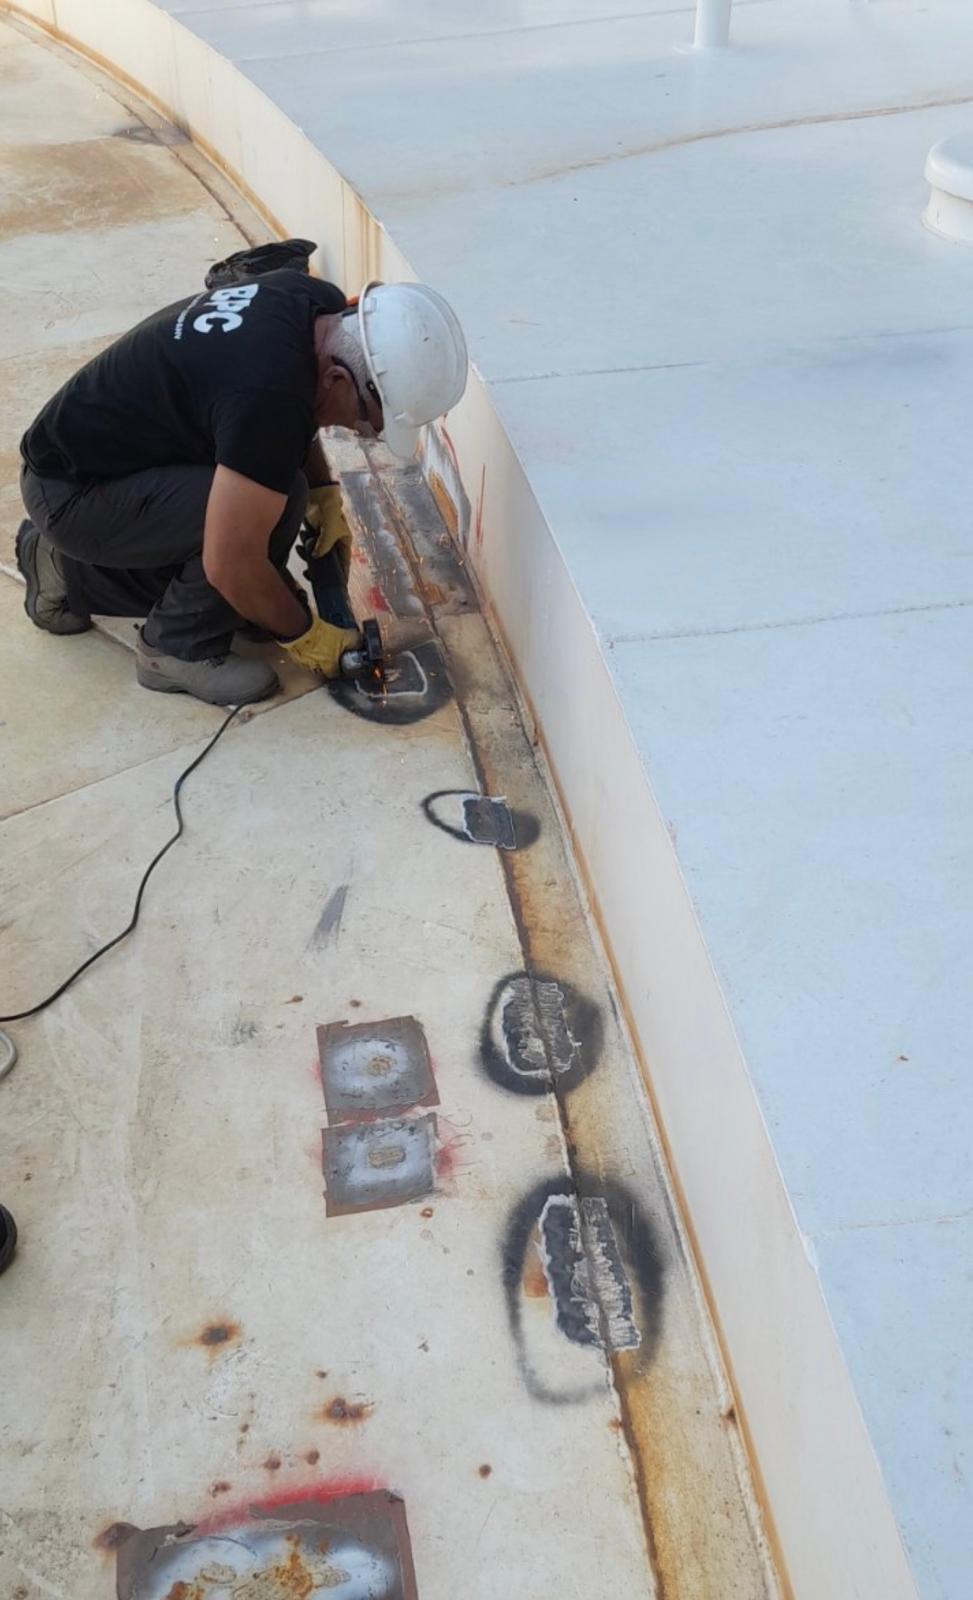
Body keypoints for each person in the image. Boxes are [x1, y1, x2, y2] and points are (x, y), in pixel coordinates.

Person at [16, 272, 468, 705]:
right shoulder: (268, 395)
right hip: (74, 494)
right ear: (338, 379)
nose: (362, 430)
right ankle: (174, 646)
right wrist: (306, 636)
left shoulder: (312, 305)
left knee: (277, 494)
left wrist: (324, 492)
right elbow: (231, 561)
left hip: (103, 461)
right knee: (256, 529)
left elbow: (293, 412)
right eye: (365, 419)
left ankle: (101, 577)